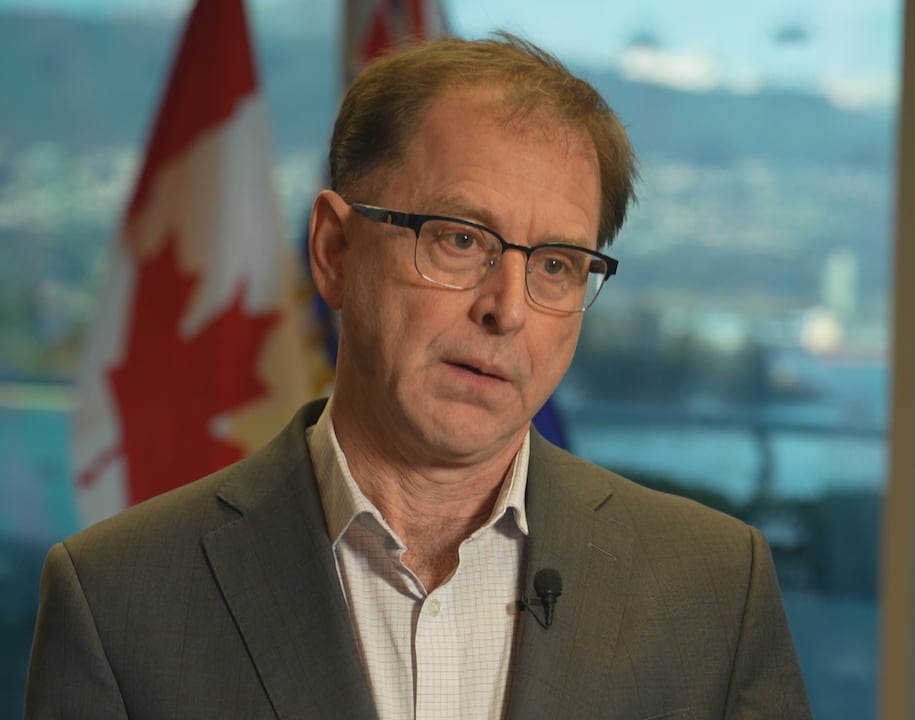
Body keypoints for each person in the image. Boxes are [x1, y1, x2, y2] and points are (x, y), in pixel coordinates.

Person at [25, 34, 811, 720]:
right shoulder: (119, 600)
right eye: (460, 241)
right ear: (335, 251)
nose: (506, 308)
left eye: (557, 265)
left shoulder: (713, 588)